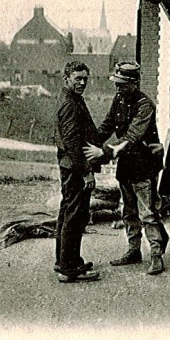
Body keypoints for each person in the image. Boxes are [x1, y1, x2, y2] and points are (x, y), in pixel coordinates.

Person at [83, 62, 169, 276]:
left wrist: (104, 152)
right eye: (116, 84)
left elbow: (131, 137)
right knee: (128, 212)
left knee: (147, 213)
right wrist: (89, 141)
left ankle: (156, 255)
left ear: (134, 83)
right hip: (126, 166)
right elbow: (107, 125)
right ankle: (133, 250)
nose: (118, 88)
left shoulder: (145, 105)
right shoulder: (119, 99)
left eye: (122, 85)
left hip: (143, 166)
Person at [53, 61, 101, 283]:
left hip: (69, 165)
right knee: (75, 215)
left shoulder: (69, 98)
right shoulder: (71, 104)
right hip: (75, 168)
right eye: (78, 79)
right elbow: (72, 143)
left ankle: (64, 261)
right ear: (66, 79)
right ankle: (68, 267)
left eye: (85, 79)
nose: (82, 83)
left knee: (67, 213)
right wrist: (86, 172)